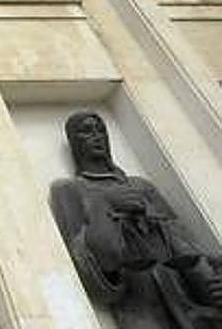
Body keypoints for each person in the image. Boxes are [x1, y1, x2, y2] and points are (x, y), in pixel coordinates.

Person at [50, 110, 222, 329]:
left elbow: (184, 245)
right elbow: (87, 260)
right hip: (141, 309)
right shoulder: (70, 189)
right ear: (74, 141)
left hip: (186, 301)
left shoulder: (141, 186)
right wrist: (104, 206)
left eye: (100, 130)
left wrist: (211, 279)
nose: (97, 136)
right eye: (86, 131)